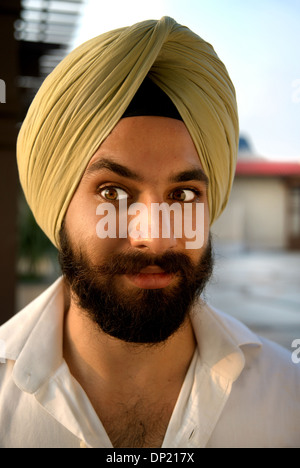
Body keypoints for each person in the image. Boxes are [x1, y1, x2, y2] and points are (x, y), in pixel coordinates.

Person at [0, 17, 299, 449]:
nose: (155, 237)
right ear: (58, 203)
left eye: (183, 194)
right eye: (113, 192)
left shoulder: (287, 398)